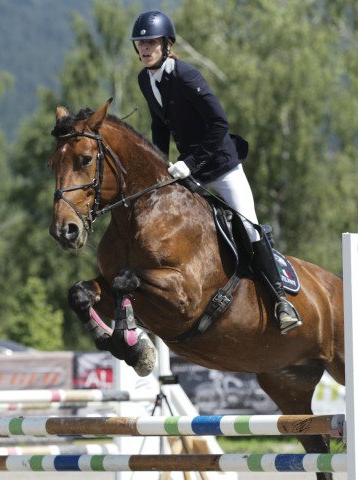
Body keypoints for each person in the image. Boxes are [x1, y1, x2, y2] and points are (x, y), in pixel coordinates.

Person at [130, 10, 301, 334]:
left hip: (221, 166)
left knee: (249, 226)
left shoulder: (186, 76)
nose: (145, 48)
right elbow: (158, 126)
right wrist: (157, 165)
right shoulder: (145, 79)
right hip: (187, 168)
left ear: (167, 44)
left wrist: (190, 164)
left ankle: (281, 302)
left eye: (151, 42)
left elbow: (219, 124)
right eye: (140, 43)